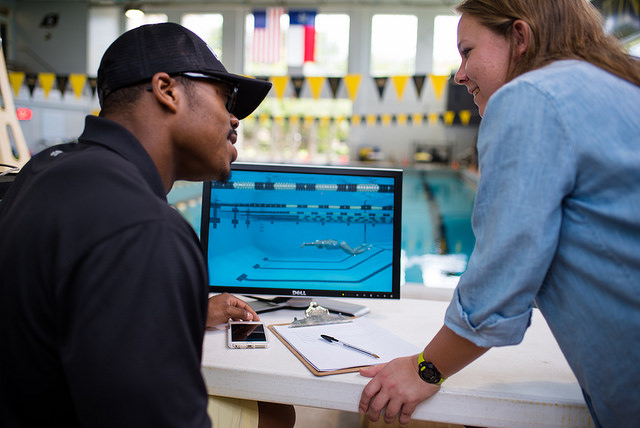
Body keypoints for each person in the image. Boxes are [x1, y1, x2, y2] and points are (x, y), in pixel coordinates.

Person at [358, 1, 640, 426]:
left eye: (467, 51)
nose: (459, 74)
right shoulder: (619, 84)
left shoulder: (530, 97)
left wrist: (425, 368)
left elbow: (499, 284)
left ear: (520, 38)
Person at [0, 23, 295, 428]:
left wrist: (187, 310)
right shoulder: (145, 229)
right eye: (226, 99)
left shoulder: (47, 167)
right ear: (167, 90)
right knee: (277, 417)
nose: (235, 119)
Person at [300, 239, 373, 255]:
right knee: (352, 250)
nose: (317, 247)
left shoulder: (323, 242)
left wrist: (305, 244)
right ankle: (362, 246)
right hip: (341, 245)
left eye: (317, 246)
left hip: (341, 244)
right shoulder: (324, 244)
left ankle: (367, 249)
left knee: (353, 253)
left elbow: (313, 243)